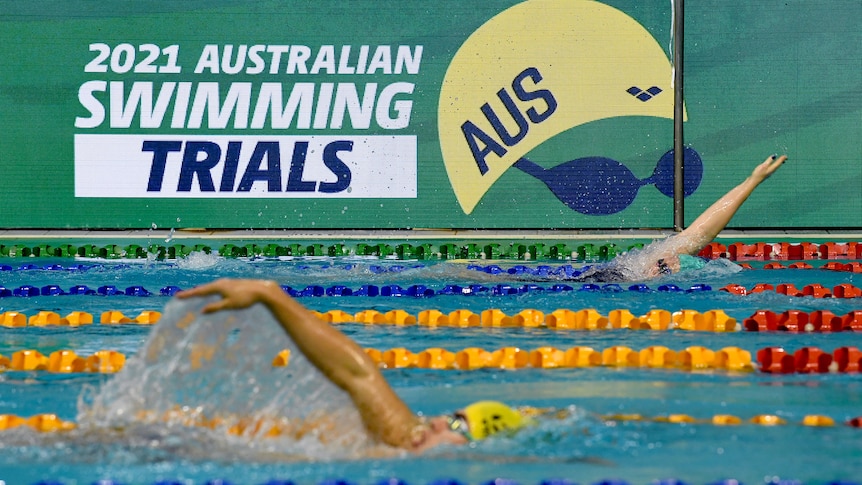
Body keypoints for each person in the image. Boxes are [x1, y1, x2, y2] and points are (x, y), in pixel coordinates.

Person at [177, 278, 530, 453]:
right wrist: (270, 294)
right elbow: (355, 372)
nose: (438, 421)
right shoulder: (403, 440)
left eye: (456, 423)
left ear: (469, 446)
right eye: (452, 413)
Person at [571, 154, 788, 281]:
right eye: (664, 266)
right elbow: (699, 235)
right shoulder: (640, 270)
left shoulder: (640, 267)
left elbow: (700, 233)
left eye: (664, 266)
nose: (668, 262)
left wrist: (753, 181)